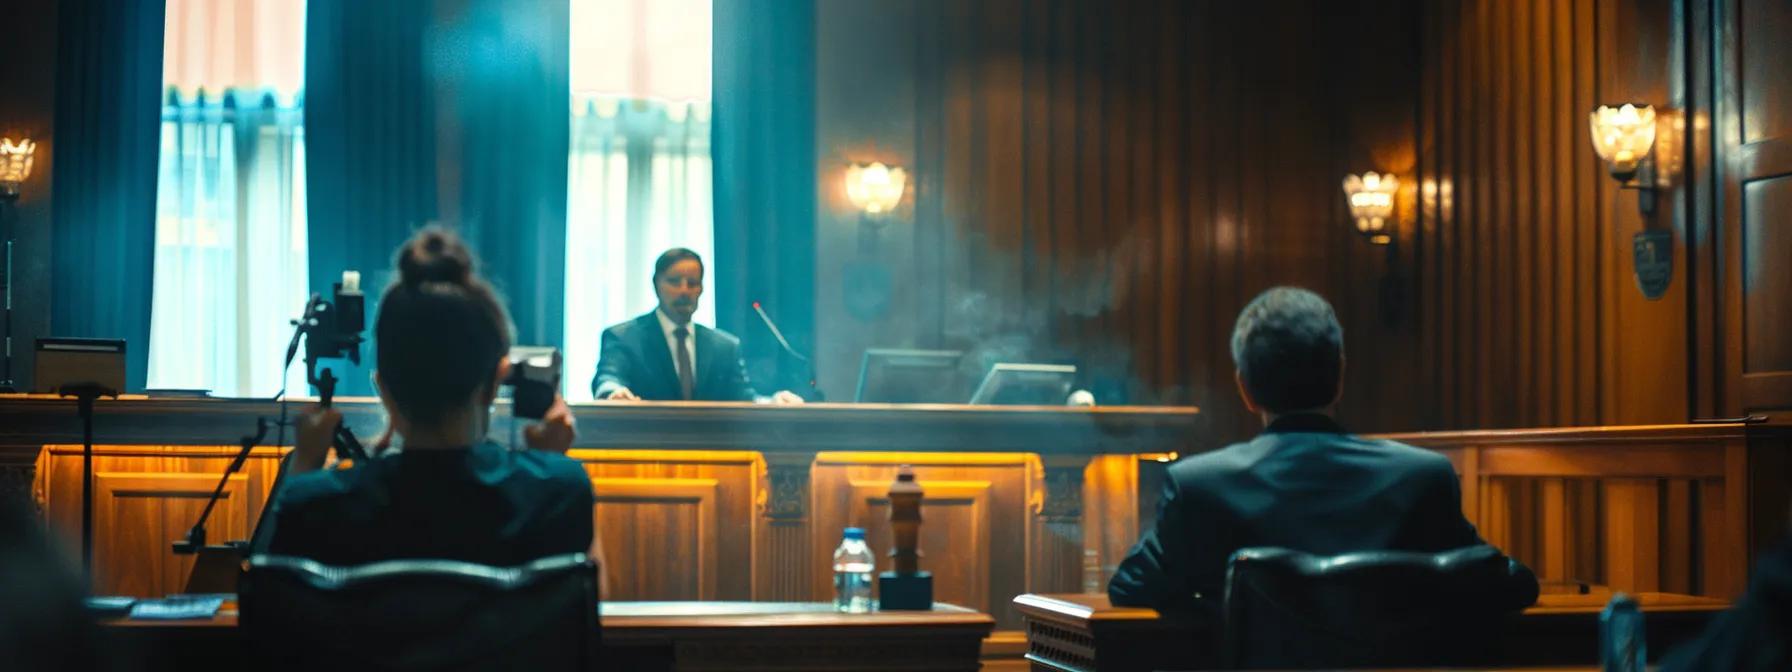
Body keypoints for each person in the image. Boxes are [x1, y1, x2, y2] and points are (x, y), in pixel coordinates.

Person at [1108, 286, 1537, 617]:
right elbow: (1510, 583)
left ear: (1245, 390)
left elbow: (1129, 587)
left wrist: (1224, 609)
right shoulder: (1422, 476)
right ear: (1340, 378)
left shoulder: (1199, 485)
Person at [263, 228, 602, 575]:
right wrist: (548, 467)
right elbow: (585, 610)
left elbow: (278, 608)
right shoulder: (558, 489)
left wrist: (306, 461)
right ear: (494, 381)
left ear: (384, 389)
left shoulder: (316, 502)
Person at [591, 248, 803, 403]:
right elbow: (608, 376)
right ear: (657, 285)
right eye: (674, 282)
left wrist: (773, 402)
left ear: (701, 289)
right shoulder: (624, 337)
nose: (684, 290)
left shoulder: (724, 346)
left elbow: (744, 399)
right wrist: (613, 392)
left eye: (692, 283)